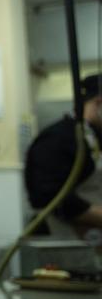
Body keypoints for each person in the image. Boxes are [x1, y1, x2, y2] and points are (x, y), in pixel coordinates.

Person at [24, 73, 102, 240]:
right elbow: (49, 197)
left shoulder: (95, 137)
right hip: (62, 240)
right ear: (99, 103)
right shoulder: (57, 139)